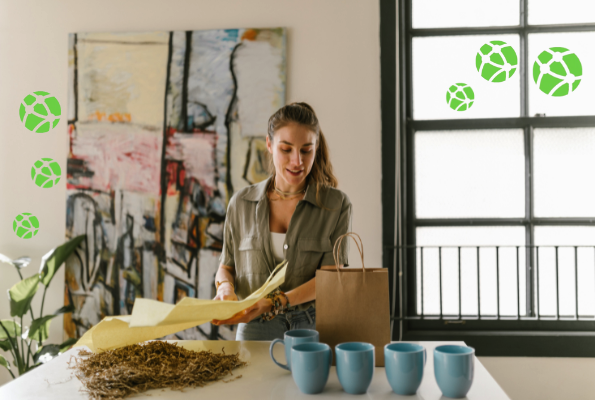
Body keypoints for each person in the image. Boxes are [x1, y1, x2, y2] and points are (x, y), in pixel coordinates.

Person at [211, 102, 352, 340]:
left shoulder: (336, 205)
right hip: (254, 326)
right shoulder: (240, 204)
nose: (297, 161)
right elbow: (226, 267)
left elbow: (330, 280)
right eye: (286, 149)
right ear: (269, 144)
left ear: (316, 148)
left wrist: (275, 302)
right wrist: (225, 288)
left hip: (314, 326)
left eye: (306, 150)